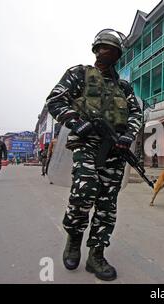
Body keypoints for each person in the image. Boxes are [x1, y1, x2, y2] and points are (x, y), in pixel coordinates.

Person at [46, 29, 142, 281]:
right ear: (95, 50)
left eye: (109, 49)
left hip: (115, 151)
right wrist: (77, 123)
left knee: (107, 204)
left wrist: (127, 136)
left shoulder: (124, 87)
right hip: (87, 144)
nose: (103, 53)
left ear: (117, 54)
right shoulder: (78, 74)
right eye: (100, 48)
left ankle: (96, 255)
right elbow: (55, 101)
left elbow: (135, 114)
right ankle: (74, 239)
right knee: (84, 191)